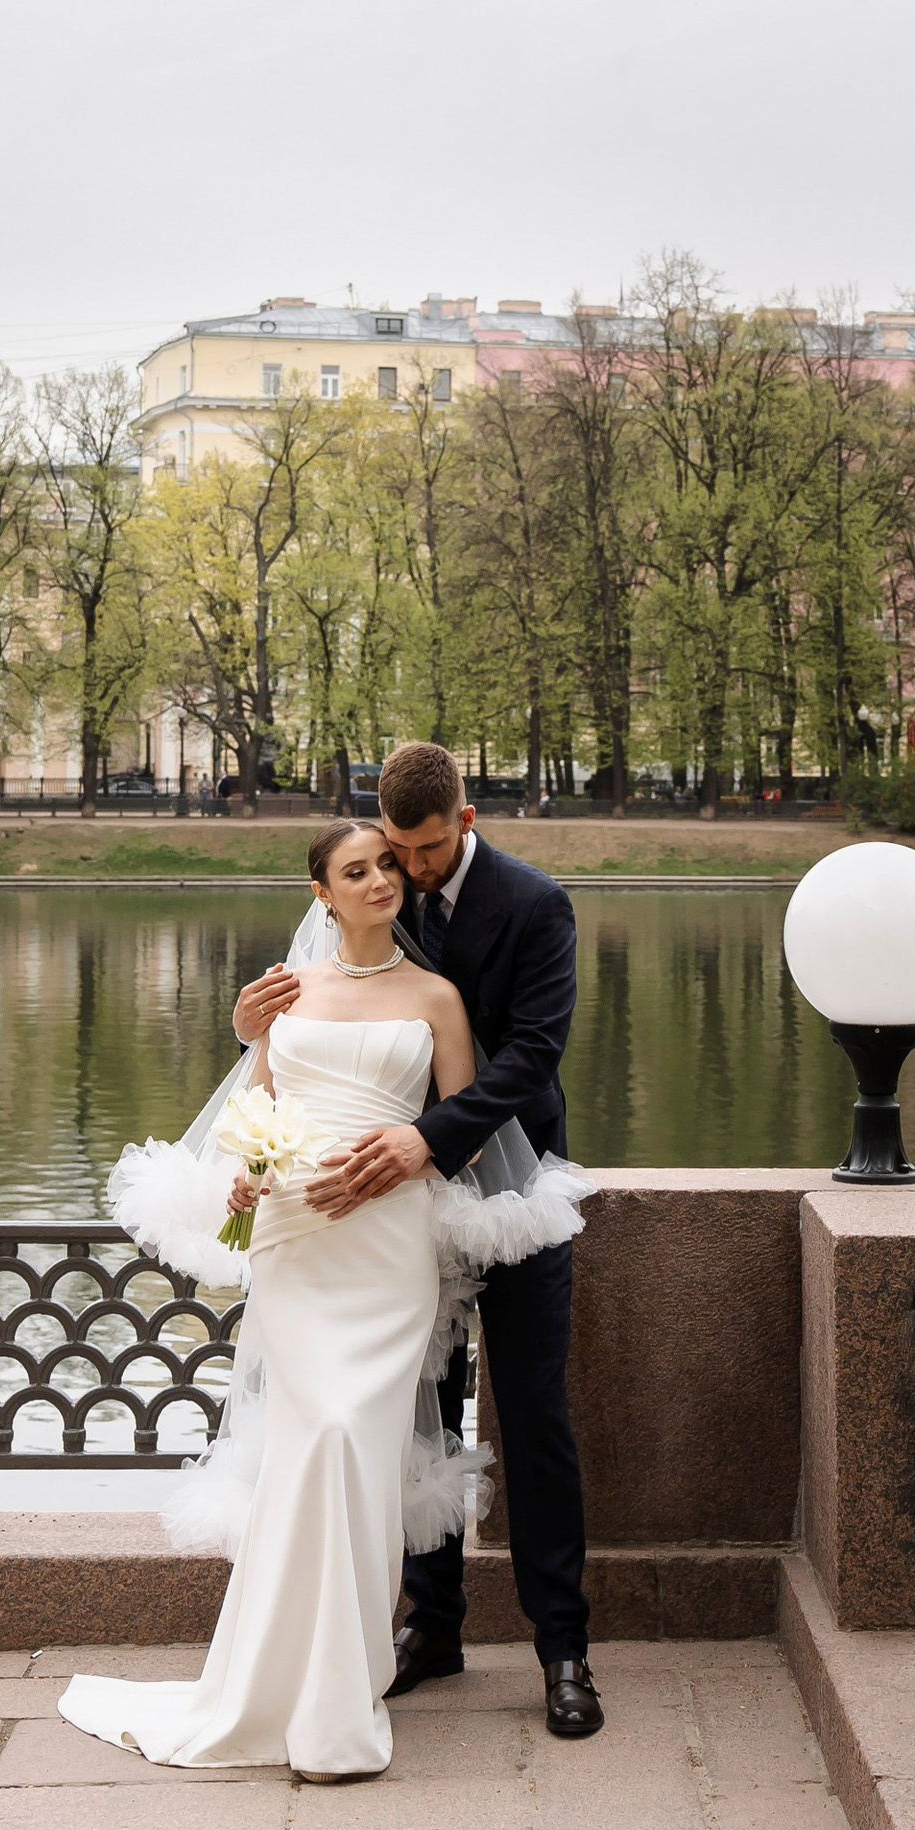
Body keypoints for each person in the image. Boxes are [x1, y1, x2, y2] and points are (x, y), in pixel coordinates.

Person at [62, 821, 477, 1778]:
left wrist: (398, 1168)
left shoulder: (437, 998)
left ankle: (341, 1694)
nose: (380, 881)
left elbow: (459, 1130)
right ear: (322, 894)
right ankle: (286, 1685)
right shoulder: (289, 994)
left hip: (388, 1248)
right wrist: (248, 1175)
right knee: (313, 1444)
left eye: (386, 865)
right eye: (355, 871)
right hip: (296, 1243)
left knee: (356, 1448)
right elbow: (256, 1111)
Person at [233, 740, 601, 1744]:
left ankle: (563, 1651)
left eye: (426, 851)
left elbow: (532, 1056)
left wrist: (427, 1139)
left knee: (531, 1413)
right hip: (386, 1221)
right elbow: (311, 1036)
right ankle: (431, 1626)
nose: (406, 871)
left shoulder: (535, 904)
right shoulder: (378, 892)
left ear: (465, 822)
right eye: (393, 852)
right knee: (414, 1417)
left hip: (510, 1198)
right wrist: (246, 1026)